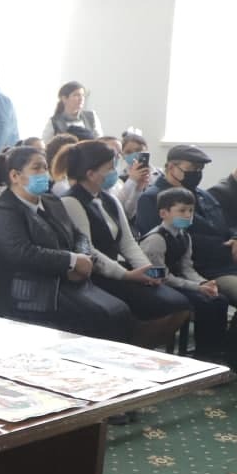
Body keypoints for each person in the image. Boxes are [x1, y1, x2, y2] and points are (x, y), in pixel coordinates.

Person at [0, 147, 133, 341]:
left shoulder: (51, 201)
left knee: (119, 310)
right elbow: (22, 253)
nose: (43, 173)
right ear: (15, 176)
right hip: (29, 289)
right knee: (98, 316)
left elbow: (79, 236)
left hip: (65, 281)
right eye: (36, 168)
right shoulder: (3, 211)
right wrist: (71, 261)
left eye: (45, 167)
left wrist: (84, 258)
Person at [60, 140, 191, 346]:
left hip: (121, 271)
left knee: (180, 303)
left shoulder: (109, 199)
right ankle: (135, 345)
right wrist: (127, 275)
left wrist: (147, 270)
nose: (115, 172)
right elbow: (88, 250)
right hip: (97, 275)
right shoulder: (71, 201)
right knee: (154, 306)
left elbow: (128, 242)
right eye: (109, 167)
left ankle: (143, 345)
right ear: (91, 173)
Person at [139, 188, 235, 359]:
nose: (188, 215)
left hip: (177, 281)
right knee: (204, 303)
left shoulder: (185, 236)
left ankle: (216, 350)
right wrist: (197, 287)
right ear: (164, 213)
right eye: (182, 210)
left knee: (219, 299)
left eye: (191, 210)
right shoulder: (155, 239)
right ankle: (204, 354)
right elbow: (160, 276)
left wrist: (204, 283)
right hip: (157, 284)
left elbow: (187, 268)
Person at [135, 145, 237, 282]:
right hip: (200, 271)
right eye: (192, 168)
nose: (197, 173)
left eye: (200, 169)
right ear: (171, 168)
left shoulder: (203, 195)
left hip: (228, 263)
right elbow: (164, 241)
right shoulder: (152, 198)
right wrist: (221, 247)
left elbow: (226, 223)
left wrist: (235, 237)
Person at [112, 130, 155, 223]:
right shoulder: (119, 179)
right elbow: (125, 212)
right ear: (122, 155)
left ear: (146, 150)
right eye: (128, 152)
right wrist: (134, 183)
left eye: (138, 150)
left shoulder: (159, 175)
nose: (134, 155)